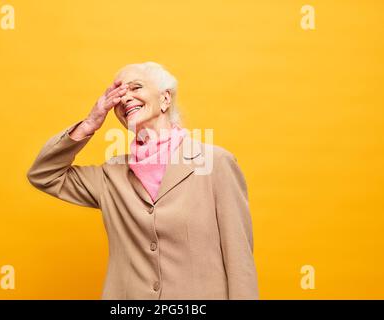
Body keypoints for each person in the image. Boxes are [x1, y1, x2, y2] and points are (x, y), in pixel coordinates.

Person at [27, 61, 259, 299]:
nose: (125, 98)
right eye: (118, 95)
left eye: (135, 88)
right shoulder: (111, 174)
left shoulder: (215, 163)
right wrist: (88, 124)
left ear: (165, 99)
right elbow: (44, 174)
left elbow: (239, 258)